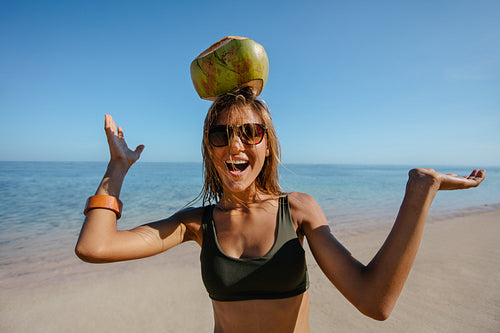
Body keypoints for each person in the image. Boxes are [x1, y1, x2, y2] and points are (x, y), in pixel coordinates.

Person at [75, 87, 485, 332]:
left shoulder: (299, 210)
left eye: (249, 132)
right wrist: (117, 168)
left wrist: (418, 197)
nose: (235, 145)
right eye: (221, 134)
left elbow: (374, 300)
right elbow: (95, 247)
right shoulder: (196, 224)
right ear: (209, 149)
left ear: (267, 144)